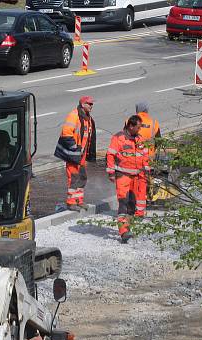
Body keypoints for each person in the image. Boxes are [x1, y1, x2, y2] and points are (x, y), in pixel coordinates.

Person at [106, 115, 150, 243]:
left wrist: (146, 171)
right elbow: (110, 155)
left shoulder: (140, 139)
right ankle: (123, 231)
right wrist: (111, 172)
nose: (139, 130)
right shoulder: (118, 138)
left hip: (136, 176)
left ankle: (128, 227)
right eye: (138, 127)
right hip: (122, 175)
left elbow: (145, 156)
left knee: (132, 204)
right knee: (123, 203)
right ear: (131, 126)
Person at [54, 96, 96, 211]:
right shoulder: (74, 115)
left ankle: (79, 200)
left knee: (82, 177)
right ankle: (71, 202)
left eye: (92, 104)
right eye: (89, 104)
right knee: (73, 177)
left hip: (81, 154)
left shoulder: (87, 118)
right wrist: (75, 149)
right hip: (74, 154)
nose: (91, 106)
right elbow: (66, 133)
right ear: (83, 104)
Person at [133, 102, 161, 217]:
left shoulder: (130, 121)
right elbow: (159, 141)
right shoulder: (154, 123)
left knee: (134, 181)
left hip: (133, 157)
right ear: (147, 110)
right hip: (148, 158)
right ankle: (147, 199)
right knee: (145, 180)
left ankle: (134, 205)